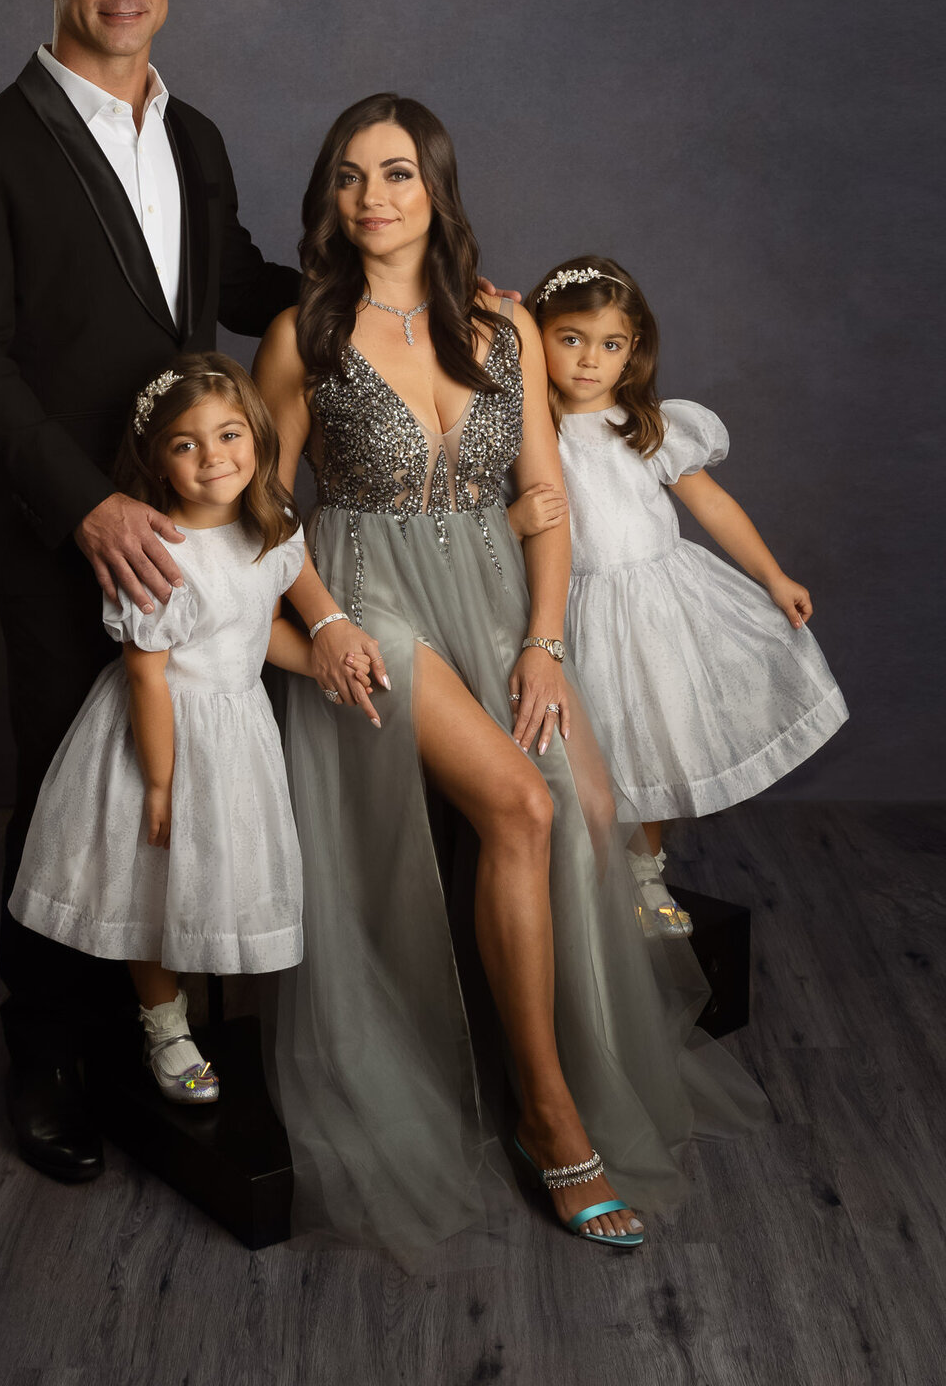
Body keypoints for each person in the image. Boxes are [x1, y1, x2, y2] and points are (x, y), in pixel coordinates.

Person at [254, 95, 766, 1260]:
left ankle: (561, 1057)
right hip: (372, 600)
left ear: (438, 188)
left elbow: (543, 505)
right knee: (521, 804)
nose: (372, 196)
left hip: (496, 598)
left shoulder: (508, 328)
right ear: (330, 199)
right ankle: (550, 1119)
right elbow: (265, 510)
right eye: (349, 176)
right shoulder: (303, 337)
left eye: (395, 172)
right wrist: (326, 624)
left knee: (585, 806)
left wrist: (545, 644)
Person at [0, 0, 305, 1181]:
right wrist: (85, 504)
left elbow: (239, 283)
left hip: (198, 533)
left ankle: (166, 1023)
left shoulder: (194, 136)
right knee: (66, 797)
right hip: (55, 532)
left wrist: (399, 284)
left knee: (177, 786)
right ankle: (51, 1056)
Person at [9, 356, 371, 1101]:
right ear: (157, 461)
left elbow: (261, 631)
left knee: (208, 874)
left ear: (259, 438)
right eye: (186, 444)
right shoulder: (159, 552)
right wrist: (161, 780)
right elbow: (146, 674)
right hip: (162, 732)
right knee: (151, 885)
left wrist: (327, 670)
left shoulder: (271, 535)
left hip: (236, 730)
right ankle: (163, 1024)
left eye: (230, 434)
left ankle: (202, 1015)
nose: (214, 457)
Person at [510, 256, 848, 932]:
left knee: (651, 741)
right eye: (569, 338)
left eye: (610, 345)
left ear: (633, 352)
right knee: (589, 753)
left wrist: (772, 575)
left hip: (658, 607)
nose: (587, 361)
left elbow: (713, 506)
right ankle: (583, 885)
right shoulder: (524, 434)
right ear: (535, 335)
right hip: (573, 611)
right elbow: (475, 525)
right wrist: (515, 521)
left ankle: (645, 873)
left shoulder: (648, 427)